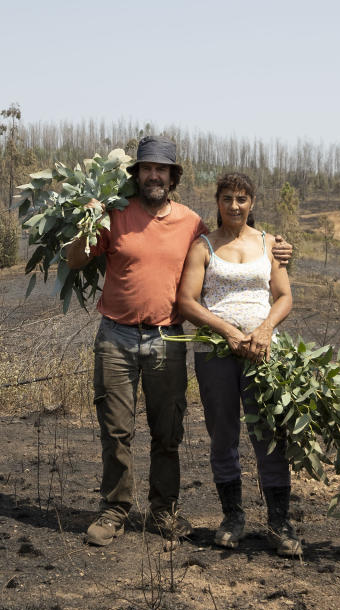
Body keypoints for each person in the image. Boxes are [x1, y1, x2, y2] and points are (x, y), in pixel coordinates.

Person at [65, 137, 291, 546]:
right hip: (115, 335)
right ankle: (114, 511)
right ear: (137, 174)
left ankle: (163, 511)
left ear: (172, 177)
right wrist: (87, 222)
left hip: (167, 339)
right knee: (116, 430)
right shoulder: (115, 216)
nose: (154, 175)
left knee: (167, 431)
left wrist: (279, 247)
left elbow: (232, 244)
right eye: (147, 168)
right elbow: (75, 260)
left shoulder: (192, 225)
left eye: (162, 169)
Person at [175, 172, 301, 557]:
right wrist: (227, 331)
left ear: (252, 203)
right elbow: (187, 302)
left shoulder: (269, 245)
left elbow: (283, 297)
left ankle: (279, 523)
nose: (234, 205)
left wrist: (264, 330)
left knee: (269, 435)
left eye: (242, 199)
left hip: (264, 353)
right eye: (227, 198)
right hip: (215, 352)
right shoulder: (203, 247)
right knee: (223, 433)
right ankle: (232, 517)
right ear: (217, 202)